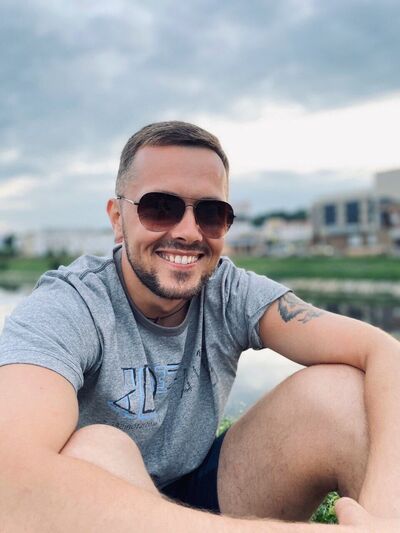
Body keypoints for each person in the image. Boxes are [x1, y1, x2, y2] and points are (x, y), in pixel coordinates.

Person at [0, 121, 400, 533]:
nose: (189, 233)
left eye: (210, 214)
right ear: (118, 219)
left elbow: (382, 350)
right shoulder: (70, 306)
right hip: (92, 504)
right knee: (100, 446)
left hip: (207, 490)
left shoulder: (229, 291)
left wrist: (383, 518)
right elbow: (9, 484)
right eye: (160, 207)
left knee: (340, 393)